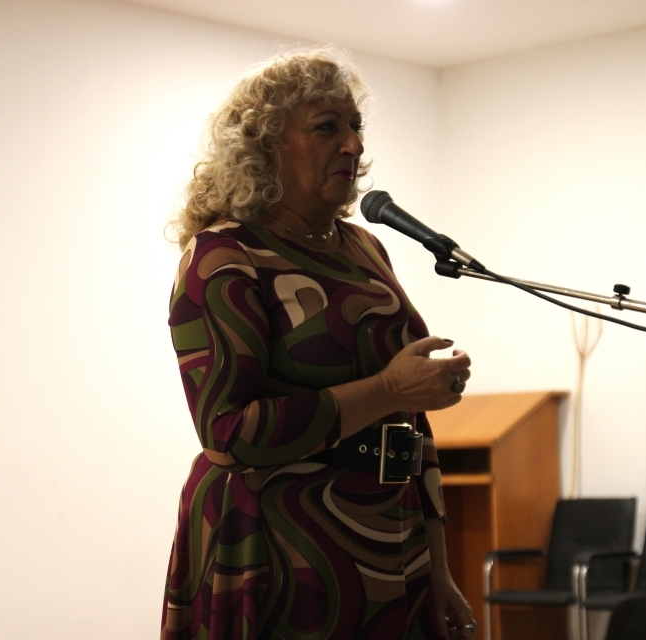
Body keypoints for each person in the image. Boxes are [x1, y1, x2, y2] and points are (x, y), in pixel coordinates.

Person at [162, 49, 475, 640]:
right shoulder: (223, 256)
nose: (353, 145)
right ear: (265, 147)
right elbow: (229, 433)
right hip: (280, 541)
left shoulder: (364, 247)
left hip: (391, 529)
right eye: (327, 127)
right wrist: (387, 390)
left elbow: (411, 415)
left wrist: (438, 566)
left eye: (355, 126)